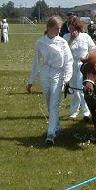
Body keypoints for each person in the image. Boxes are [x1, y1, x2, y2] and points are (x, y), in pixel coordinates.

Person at [26, 16, 73, 145]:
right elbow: (36, 63)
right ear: (49, 28)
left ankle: (50, 133)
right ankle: (56, 127)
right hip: (45, 73)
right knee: (48, 102)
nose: (58, 31)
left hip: (58, 73)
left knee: (54, 104)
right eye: (56, 28)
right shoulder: (40, 43)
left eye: (60, 29)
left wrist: (67, 78)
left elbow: (69, 61)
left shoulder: (62, 42)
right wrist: (31, 81)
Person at [63, 16, 96, 121]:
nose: (72, 31)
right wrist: (71, 39)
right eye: (70, 28)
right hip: (71, 65)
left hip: (83, 65)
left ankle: (86, 112)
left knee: (82, 89)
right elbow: (63, 51)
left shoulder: (85, 37)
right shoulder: (66, 37)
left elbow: (93, 49)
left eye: (74, 29)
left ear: (79, 28)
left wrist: (88, 57)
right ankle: (74, 111)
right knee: (73, 89)